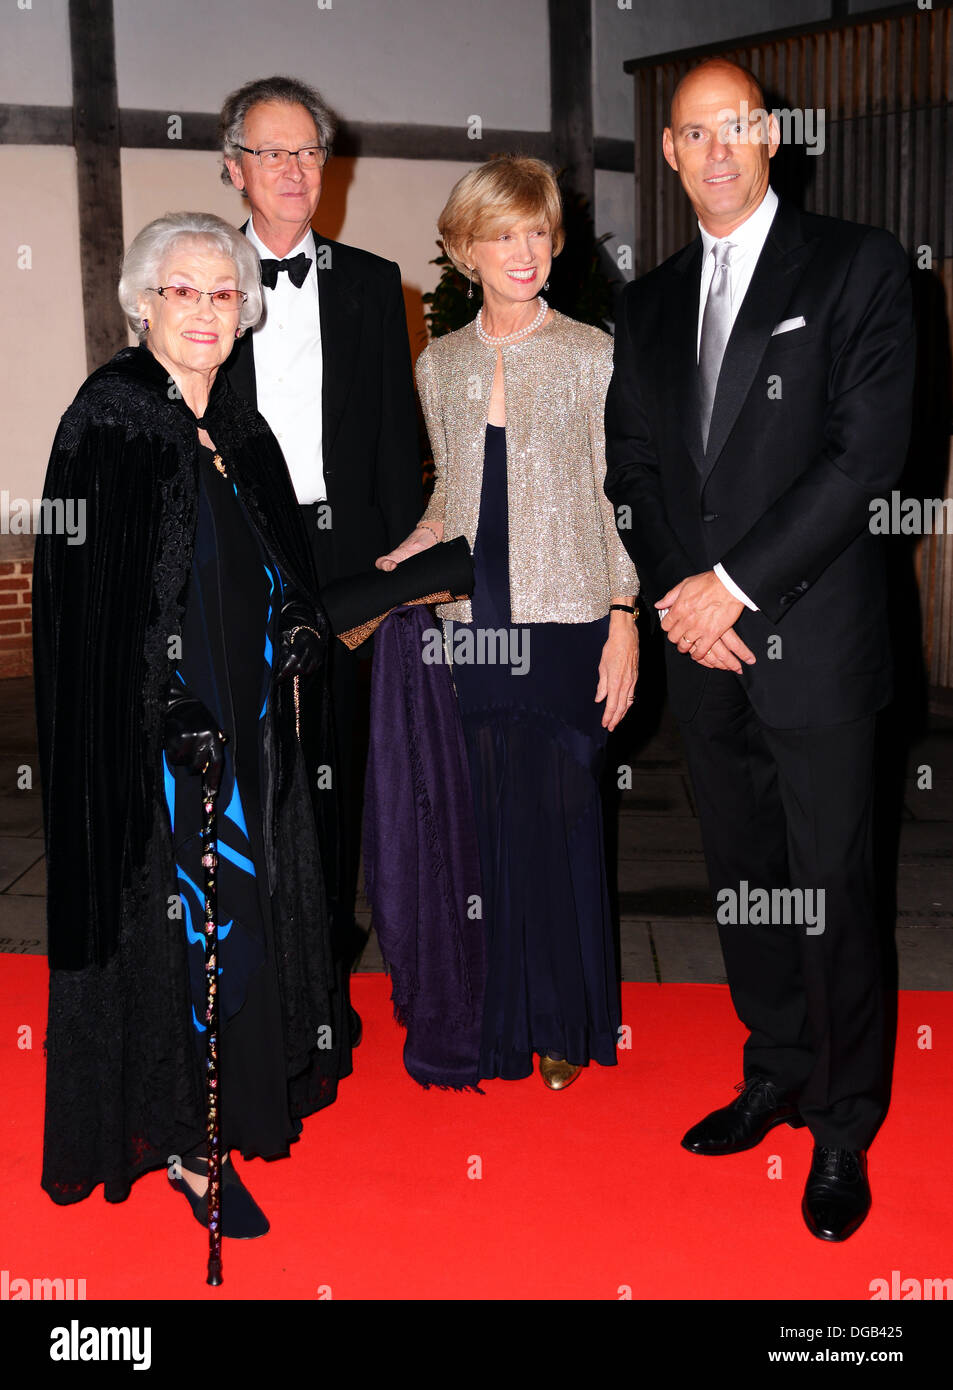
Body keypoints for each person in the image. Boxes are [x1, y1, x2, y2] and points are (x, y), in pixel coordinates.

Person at [604, 59, 914, 1240]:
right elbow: (632, 469)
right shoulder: (647, 302)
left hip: (813, 642)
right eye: (694, 133)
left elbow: (862, 457)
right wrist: (680, 599)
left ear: (771, 136)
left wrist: (731, 587)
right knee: (744, 876)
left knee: (831, 887)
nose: (718, 149)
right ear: (672, 154)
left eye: (738, 126)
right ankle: (775, 1064)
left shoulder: (856, 264)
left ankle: (841, 1121)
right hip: (703, 648)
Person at [34, 211, 349, 1235]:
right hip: (157, 747)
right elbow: (87, 605)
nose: (206, 309)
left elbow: (273, 558)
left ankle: (240, 1107)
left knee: (247, 919)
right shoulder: (113, 418)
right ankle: (185, 1139)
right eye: (183, 290)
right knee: (186, 926)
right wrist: (163, 702)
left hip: (250, 728)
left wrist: (297, 615)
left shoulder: (242, 427)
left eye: (224, 292)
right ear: (141, 303)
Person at [378, 156, 640, 1089]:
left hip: (569, 616)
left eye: (537, 232)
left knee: (561, 815)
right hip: (471, 624)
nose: (523, 251)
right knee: (481, 822)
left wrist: (623, 616)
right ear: (464, 249)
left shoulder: (592, 353)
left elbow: (621, 497)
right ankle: (495, 1018)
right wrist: (403, 560)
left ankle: (565, 1019)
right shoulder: (437, 362)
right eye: (501, 235)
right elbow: (450, 493)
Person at [219, 77, 422, 1028]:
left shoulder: (376, 284)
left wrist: (389, 572)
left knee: (336, 759)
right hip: (242, 544)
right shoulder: (201, 277)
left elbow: (393, 441)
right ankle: (253, 961)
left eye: (308, 152)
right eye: (272, 152)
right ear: (234, 169)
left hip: (346, 549)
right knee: (252, 758)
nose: (295, 170)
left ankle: (330, 969)